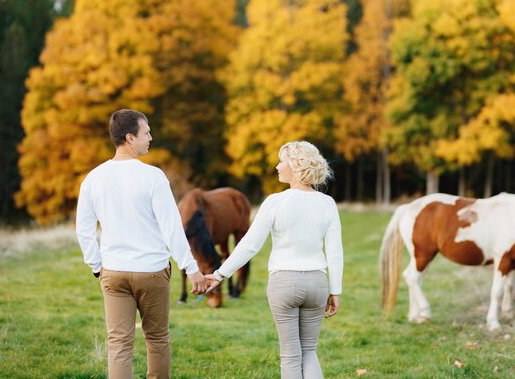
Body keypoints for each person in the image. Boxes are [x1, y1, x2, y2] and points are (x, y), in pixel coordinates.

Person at [75, 109, 206, 379]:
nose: (151, 137)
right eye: (146, 132)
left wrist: (97, 266)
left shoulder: (93, 178)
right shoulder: (153, 177)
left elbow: (84, 230)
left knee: (119, 344)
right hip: (152, 272)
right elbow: (171, 228)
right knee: (157, 338)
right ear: (129, 137)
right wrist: (191, 268)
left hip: (113, 273)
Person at [205, 140, 344, 379]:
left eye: (281, 162)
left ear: (295, 165)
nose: (277, 167)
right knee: (309, 351)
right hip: (317, 285)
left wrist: (219, 275)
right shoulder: (327, 203)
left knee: (290, 356)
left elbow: (249, 245)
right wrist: (336, 291)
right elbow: (335, 251)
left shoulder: (274, 202)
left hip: (284, 283)